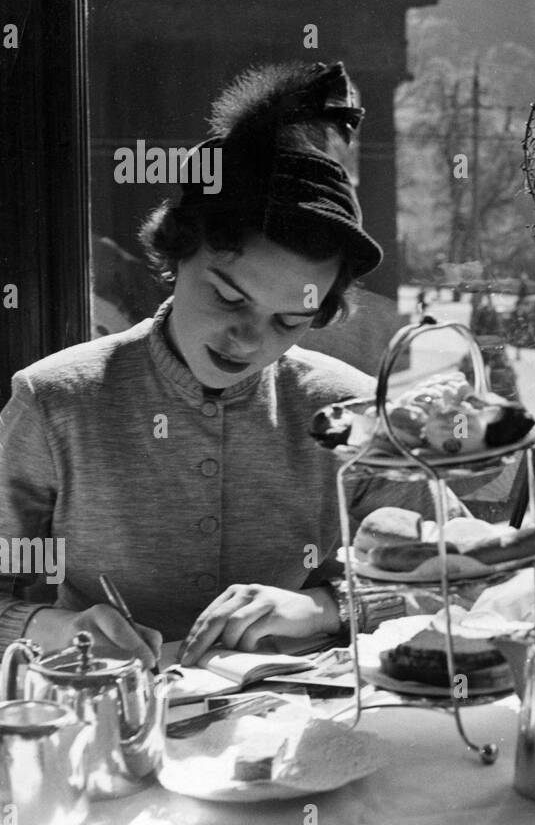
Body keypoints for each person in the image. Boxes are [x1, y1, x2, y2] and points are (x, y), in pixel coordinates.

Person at [0, 60, 454, 668]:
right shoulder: (57, 401)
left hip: (302, 734)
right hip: (117, 718)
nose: (247, 338)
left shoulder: (350, 412)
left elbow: (458, 574)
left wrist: (328, 608)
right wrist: (59, 629)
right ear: (178, 249)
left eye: (288, 322)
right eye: (228, 296)